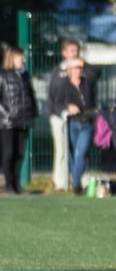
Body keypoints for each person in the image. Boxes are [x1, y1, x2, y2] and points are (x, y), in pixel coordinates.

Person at [46, 39, 101, 192]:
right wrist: (61, 110)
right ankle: (61, 183)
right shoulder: (59, 72)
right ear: (64, 53)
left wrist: (83, 63)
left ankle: (77, 181)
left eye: (76, 51)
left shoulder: (85, 72)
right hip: (60, 115)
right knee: (62, 150)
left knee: (79, 152)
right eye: (71, 51)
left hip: (82, 119)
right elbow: (54, 95)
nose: (74, 54)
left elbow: (96, 73)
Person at [0, 46, 37, 195]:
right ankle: (8, 186)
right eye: (20, 57)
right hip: (8, 122)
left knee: (20, 153)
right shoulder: (0, 76)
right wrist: (6, 112)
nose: (23, 60)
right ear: (12, 59)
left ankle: (17, 185)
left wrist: (32, 113)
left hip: (24, 120)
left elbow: (30, 96)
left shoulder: (25, 76)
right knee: (9, 153)